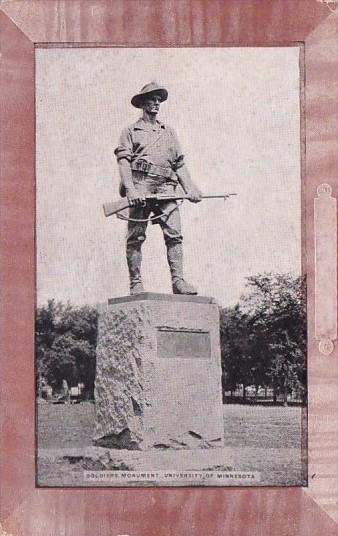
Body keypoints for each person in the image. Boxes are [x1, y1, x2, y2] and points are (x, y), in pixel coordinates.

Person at [114, 81, 202, 295]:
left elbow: (179, 164)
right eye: (152, 99)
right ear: (143, 103)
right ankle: (135, 283)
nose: (156, 103)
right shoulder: (130, 131)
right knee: (135, 237)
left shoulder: (168, 132)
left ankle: (178, 282)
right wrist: (131, 189)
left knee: (175, 235)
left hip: (166, 190)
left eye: (158, 100)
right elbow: (123, 162)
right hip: (141, 189)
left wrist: (190, 188)